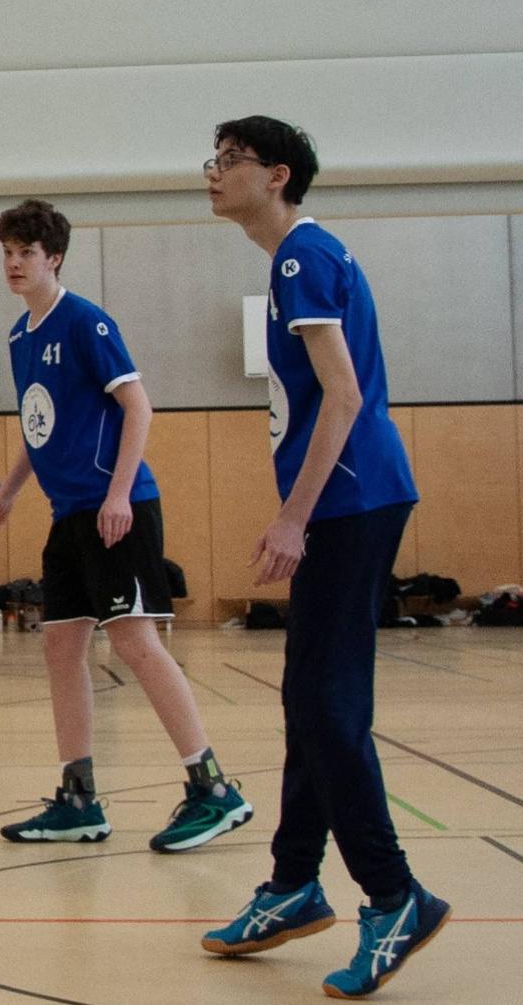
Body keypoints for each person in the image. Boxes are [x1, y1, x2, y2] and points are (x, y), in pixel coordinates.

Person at [197, 117, 447, 995]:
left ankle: (393, 894)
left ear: (278, 173)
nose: (213, 174)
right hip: (352, 497)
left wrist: (293, 518)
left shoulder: (301, 256)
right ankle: (295, 882)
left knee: (328, 705)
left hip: (352, 498)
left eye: (229, 162)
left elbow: (341, 397)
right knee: (308, 698)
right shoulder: (293, 262)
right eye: (212, 160)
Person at [0, 198, 250, 854]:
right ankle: (78, 799)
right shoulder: (18, 337)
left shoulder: (86, 322)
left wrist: (119, 493)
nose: (13, 262)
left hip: (118, 508)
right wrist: (6, 495)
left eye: (25, 253)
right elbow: (42, 425)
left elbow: (138, 407)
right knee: (60, 646)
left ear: (53, 257)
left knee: (135, 642)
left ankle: (212, 786)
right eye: (6, 252)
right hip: (70, 516)